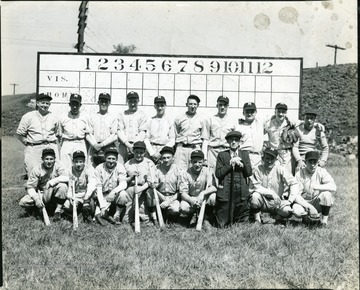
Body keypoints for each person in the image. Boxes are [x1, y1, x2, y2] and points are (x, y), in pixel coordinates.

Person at [249, 147, 320, 225]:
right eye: (267, 158)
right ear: (263, 158)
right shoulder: (258, 169)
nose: (269, 161)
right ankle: (257, 219)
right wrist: (272, 193)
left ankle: (278, 218)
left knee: (287, 210)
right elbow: (255, 187)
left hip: (277, 201)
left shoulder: (280, 169)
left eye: (272, 159)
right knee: (255, 196)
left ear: (276, 160)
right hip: (263, 200)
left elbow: (294, 183)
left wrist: (290, 201)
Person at [19, 148, 69, 222]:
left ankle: (57, 211)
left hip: (55, 193)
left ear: (55, 159)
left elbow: (67, 178)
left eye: (51, 159)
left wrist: (52, 181)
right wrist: (36, 199)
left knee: (63, 186)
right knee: (23, 202)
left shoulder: (59, 165)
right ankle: (38, 208)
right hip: (42, 194)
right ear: (42, 159)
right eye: (47, 159)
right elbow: (30, 187)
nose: (49, 161)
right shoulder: (37, 169)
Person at [214, 131, 252, 228]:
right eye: (231, 140)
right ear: (228, 142)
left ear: (240, 142)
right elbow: (218, 174)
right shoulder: (222, 155)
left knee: (241, 222)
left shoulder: (244, 154)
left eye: (236, 140)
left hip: (240, 191)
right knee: (222, 224)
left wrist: (242, 165)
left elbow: (249, 172)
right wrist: (230, 164)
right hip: (226, 192)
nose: (234, 142)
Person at [16, 93, 60, 176]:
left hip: (50, 146)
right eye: (43, 103)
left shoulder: (54, 117)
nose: (45, 105)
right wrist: (29, 144)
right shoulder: (28, 116)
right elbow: (20, 134)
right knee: (33, 172)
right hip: (34, 148)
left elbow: (58, 133)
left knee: (53, 173)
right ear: (37, 103)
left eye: (47, 103)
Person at [295, 151, 336, 227]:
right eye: (310, 162)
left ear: (318, 162)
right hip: (303, 202)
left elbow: (333, 187)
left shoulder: (321, 171)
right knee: (297, 211)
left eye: (315, 162)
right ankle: (306, 218)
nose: (313, 165)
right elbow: (296, 195)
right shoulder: (299, 173)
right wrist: (309, 206)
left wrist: (317, 186)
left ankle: (324, 222)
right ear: (305, 162)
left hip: (316, 201)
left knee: (327, 195)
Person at [91, 146, 128, 225]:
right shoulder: (99, 168)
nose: (111, 161)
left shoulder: (120, 167)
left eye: (113, 159)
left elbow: (123, 184)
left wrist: (114, 192)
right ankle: (104, 213)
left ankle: (117, 215)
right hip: (103, 194)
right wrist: (102, 206)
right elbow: (99, 188)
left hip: (115, 194)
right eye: (109, 158)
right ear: (105, 158)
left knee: (123, 194)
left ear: (117, 159)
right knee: (98, 215)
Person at [180, 150, 217, 228]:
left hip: (203, 198)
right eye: (195, 162)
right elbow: (183, 193)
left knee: (213, 197)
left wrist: (203, 193)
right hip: (191, 198)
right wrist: (191, 200)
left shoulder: (208, 171)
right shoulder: (185, 173)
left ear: (203, 162)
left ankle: (206, 218)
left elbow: (214, 187)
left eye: (200, 162)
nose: (197, 165)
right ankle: (189, 217)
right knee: (184, 207)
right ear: (191, 162)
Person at [148, 146, 187, 221]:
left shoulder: (179, 170)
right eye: (164, 158)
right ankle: (154, 217)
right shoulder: (156, 168)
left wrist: (169, 201)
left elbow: (181, 191)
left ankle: (169, 216)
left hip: (173, 197)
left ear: (173, 158)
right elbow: (153, 186)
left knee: (175, 210)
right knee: (149, 192)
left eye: (168, 158)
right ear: (161, 159)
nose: (166, 160)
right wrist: (162, 197)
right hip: (159, 195)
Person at [124, 141, 157, 225]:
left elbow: (151, 180)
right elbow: (124, 179)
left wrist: (141, 189)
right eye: (136, 152)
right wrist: (130, 177)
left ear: (145, 153)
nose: (139, 155)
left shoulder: (149, 163)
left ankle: (143, 218)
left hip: (144, 188)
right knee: (125, 220)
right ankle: (128, 217)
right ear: (133, 152)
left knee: (144, 218)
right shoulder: (128, 163)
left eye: (141, 153)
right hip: (131, 188)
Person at [201, 95, 237, 171]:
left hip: (227, 151)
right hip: (213, 151)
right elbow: (205, 140)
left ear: (228, 106)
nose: (222, 107)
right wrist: (204, 158)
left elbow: (236, 140)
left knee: (226, 175)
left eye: (225, 105)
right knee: (212, 175)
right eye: (220, 105)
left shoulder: (232, 121)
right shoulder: (209, 120)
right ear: (217, 106)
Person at [63, 150, 97, 223]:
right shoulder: (70, 170)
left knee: (91, 208)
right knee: (67, 205)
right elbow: (69, 187)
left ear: (84, 161)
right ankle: (77, 210)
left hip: (87, 194)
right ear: (73, 162)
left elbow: (92, 183)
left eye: (81, 162)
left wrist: (86, 197)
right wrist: (70, 197)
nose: (78, 164)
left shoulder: (89, 168)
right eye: (76, 162)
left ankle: (87, 212)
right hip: (75, 195)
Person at [58, 93, 90, 171]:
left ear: (80, 105)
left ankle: (80, 183)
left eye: (77, 104)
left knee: (81, 167)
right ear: (69, 104)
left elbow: (88, 134)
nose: (75, 107)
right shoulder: (63, 117)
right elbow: (59, 134)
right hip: (67, 143)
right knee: (65, 168)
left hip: (80, 142)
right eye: (73, 104)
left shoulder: (85, 117)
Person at [174, 94, 205, 171]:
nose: (192, 106)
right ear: (186, 104)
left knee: (194, 172)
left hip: (195, 148)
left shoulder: (202, 119)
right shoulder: (179, 118)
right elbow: (176, 133)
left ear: (198, 105)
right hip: (181, 148)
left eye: (195, 104)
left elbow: (203, 136)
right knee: (179, 172)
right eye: (190, 104)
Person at [86, 93, 118, 167]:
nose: (103, 103)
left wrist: (102, 144)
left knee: (107, 169)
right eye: (102, 101)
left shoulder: (113, 117)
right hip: (94, 147)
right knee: (92, 169)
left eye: (106, 101)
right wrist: (94, 144)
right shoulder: (92, 116)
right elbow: (88, 134)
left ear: (109, 103)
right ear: (98, 102)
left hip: (108, 147)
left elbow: (114, 135)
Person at [117, 91, 149, 164]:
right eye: (130, 101)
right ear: (127, 102)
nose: (132, 104)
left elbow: (142, 131)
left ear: (138, 101)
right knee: (120, 165)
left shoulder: (142, 114)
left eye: (135, 101)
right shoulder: (122, 114)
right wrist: (127, 144)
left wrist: (134, 145)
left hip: (137, 146)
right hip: (123, 145)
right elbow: (119, 131)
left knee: (136, 166)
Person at [234, 102, 267, 169]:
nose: (249, 114)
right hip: (244, 156)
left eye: (252, 112)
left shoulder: (260, 122)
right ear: (243, 113)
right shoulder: (239, 127)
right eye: (247, 112)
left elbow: (274, 116)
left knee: (256, 178)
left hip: (257, 157)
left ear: (255, 112)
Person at [144, 96, 175, 164]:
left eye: (162, 105)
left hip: (164, 151)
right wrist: (152, 153)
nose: (160, 108)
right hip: (151, 150)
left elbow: (172, 140)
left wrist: (161, 152)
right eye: (157, 106)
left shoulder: (170, 121)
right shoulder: (150, 120)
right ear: (155, 106)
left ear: (165, 106)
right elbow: (146, 138)